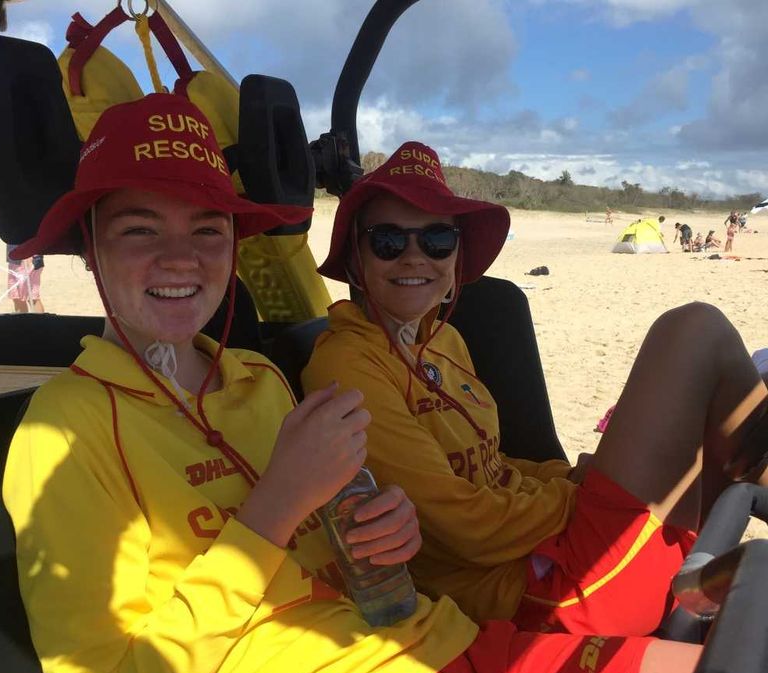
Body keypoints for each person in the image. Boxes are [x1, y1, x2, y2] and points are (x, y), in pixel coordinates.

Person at [1, 94, 768, 673]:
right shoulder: (64, 428)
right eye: (140, 229)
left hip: (450, 646)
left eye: (208, 229)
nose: (181, 257)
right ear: (88, 247)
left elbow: (337, 551)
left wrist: (386, 536)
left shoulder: (259, 381)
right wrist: (273, 511)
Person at [302, 141, 768, 636]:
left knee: (702, 358)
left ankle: (699, 584)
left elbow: (492, 465)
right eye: (388, 241)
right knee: (693, 331)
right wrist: (578, 498)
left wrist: (565, 477)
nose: (415, 257)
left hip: (547, 548)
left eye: (437, 239)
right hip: (536, 594)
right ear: (355, 258)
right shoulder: (348, 364)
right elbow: (463, 525)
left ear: (456, 256)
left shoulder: (443, 340)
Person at [5, 242, 45, 313]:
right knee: (17, 297)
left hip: (28, 256)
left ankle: (40, 320)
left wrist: (34, 255)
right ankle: (22, 319)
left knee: (31, 297)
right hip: (14, 258)